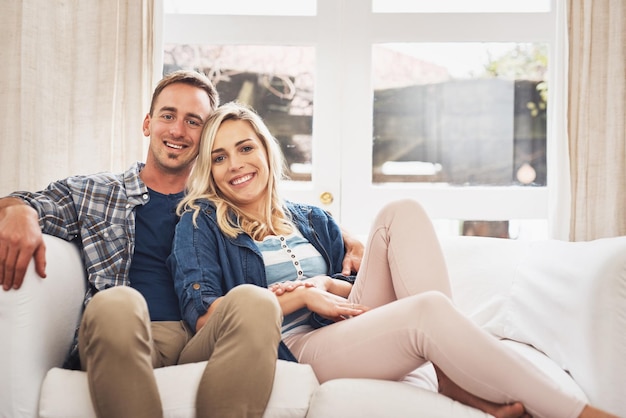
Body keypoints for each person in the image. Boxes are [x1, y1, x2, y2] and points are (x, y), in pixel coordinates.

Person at [168, 101, 618, 418]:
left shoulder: (312, 219)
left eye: (245, 148)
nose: (235, 165)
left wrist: (328, 287)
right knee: (429, 311)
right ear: (209, 169)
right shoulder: (201, 222)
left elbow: (355, 290)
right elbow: (208, 321)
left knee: (400, 211)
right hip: (296, 346)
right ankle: (579, 414)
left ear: (266, 151)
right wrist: (302, 294)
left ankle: (446, 373)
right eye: (219, 157)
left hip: (343, 325)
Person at [0, 70, 361, 418]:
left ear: (207, 138)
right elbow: (23, 202)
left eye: (193, 121)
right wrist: (19, 211)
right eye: (168, 115)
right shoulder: (98, 192)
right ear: (148, 124)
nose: (177, 130)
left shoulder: (223, 203)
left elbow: (282, 218)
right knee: (117, 302)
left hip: (205, 336)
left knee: (254, 300)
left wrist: (349, 238)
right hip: (125, 331)